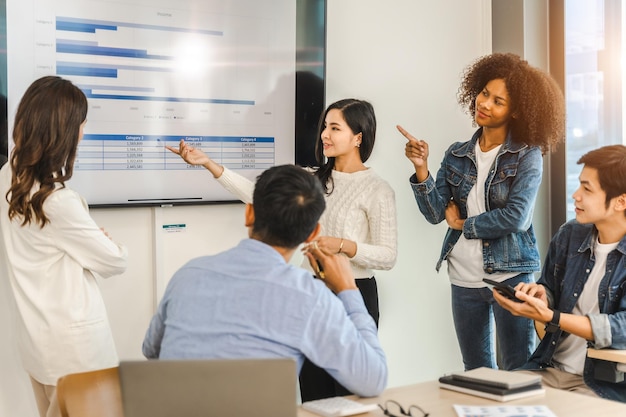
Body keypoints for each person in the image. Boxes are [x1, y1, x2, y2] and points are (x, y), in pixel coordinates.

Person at [166, 98, 397, 400]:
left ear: (358, 137)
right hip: (311, 289)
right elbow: (258, 194)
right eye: (325, 127)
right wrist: (209, 164)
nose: (325, 135)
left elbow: (387, 255)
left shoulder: (378, 189)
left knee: (352, 394)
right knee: (314, 392)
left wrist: (344, 246)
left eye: (335, 128)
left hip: (353, 290)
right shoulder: (313, 178)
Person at [142, 164, 388, 398]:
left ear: (249, 213)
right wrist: (348, 289)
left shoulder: (188, 274)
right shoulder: (310, 297)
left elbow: (152, 351)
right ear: (312, 233)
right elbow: (372, 379)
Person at [397, 52, 565, 371]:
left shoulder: (527, 157)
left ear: (516, 111)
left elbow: (517, 217)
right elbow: (435, 213)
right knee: (475, 370)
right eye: (484, 93)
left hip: (510, 276)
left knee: (518, 368)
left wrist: (463, 223)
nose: (484, 104)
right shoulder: (457, 154)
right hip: (464, 277)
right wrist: (421, 169)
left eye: (498, 101)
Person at [0, 76, 128, 417]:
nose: (83, 133)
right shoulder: (58, 202)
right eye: (81, 125)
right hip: (78, 356)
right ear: (65, 133)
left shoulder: (6, 178)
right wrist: (105, 240)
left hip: (37, 347)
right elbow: (115, 262)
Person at [493, 145, 626, 402]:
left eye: (587, 189)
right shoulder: (569, 234)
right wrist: (542, 295)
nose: (576, 195)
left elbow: (621, 328)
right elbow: (550, 289)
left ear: (621, 200)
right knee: (480, 402)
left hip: (601, 386)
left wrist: (552, 315)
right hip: (548, 369)